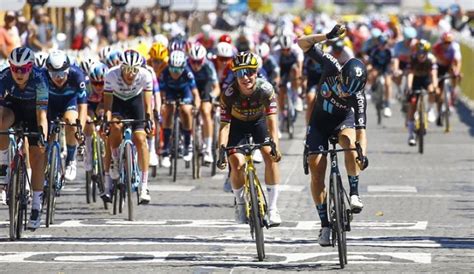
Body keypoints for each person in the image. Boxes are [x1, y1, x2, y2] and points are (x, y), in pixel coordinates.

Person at [298, 24, 369, 246]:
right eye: (345, 88)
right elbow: (302, 42)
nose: (347, 93)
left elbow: (361, 131)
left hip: (342, 123)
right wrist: (326, 37)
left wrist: (362, 155)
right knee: (317, 169)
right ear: (341, 77)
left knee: (349, 143)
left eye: (352, 91)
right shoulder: (332, 66)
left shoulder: (357, 97)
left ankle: (354, 192)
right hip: (319, 123)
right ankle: (325, 225)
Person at [217, 52, 282, 227]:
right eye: (240, 73)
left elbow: (273, 121)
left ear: (256, 71)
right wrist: (221, 150)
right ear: (235, 75)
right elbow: (224, 125)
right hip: (237, 125)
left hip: (258, 122)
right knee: (237, 163)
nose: (245, 77)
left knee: (270, 156)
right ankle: (240, 203)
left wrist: (275, 145)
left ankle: (273, 208)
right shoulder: (229, 94)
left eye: (250, 72)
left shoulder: (266, 89)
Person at [0, 47, 48, 229]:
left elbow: (42, 114)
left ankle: (36, 205)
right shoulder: (3, 77)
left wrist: (42, 134)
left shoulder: (40, 79)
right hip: (14, 109)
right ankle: (3, 164)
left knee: (37, 155)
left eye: (24, 69)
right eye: (15, 68)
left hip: (34, 111)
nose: (19, 73)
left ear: (31, 67)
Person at [103, 49, 154, 204]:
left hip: (135, 103)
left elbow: (147, 104)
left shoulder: (145, 75)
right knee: (115, 128)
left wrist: (149, 120)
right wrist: (107, 121)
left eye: (134, 70)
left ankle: (144, 186)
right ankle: (116, 159)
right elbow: (108, 106)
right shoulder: (111, 75)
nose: (131, 74)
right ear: (121, 67)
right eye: (127, 70)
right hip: (118, 103)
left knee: (140, 138)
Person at [45, 50, 88, 181]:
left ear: (68, 70)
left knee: (71, 121)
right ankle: (47, 162)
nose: (59, 78)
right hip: (50, 103)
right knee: (48, 132)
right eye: (54, 74)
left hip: (69, 102)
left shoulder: (77, 76)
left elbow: (83, 106)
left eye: (62, 73)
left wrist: (79, 129)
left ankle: (70, 160)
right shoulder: (41, 76)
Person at [160, 50, 201, 168]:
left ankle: (188, 143)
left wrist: (196, 107)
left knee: (186, 109)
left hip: (185, 92)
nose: (175, 73)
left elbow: (195, 94)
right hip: (170, 92)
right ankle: (166, 149)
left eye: (178, 70)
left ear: (183, 67)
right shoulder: (165, 73)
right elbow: (162, 93)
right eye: (173, 69)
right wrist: (162, 103)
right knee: (168, 109)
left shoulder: (188, 73)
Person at [188, 44, 220, 164]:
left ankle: (208, 149)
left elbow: (216, 87)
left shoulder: (208, 65)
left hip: (205, 87)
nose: (196, 65)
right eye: (193, 62)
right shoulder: (186, 64)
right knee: (187, 110)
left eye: (199, 62)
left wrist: (211, 97)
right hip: (191, 88)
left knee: (206, 111)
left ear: (203, 59)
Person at [406, 40, 438, 146]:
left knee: (432, 91)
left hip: (425, 79)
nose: (421, 55)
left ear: (427, 52)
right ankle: (410, 134)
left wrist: (435, 86)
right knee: (412, 105)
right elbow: (410, 74)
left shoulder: (431, 59)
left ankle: (430, 110)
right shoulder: (413, 58)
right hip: (415, 80)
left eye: (423, 53)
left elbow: (433, 74)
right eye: (419, 53)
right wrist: (409, 87)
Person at [368, 34, 393, 118]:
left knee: (388, 84)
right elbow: (371, 62)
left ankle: (387, 105)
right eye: (381, 44)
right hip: (377, 66)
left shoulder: (389, 51)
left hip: (385, 68)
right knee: (373, 74)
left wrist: (392, 70)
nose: (383, 46)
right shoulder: (375, 51)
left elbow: (391, 62)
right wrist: (369, 68)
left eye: (384, 44)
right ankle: (372, 88)